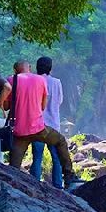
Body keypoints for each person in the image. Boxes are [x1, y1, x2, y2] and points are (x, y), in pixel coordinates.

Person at [6, 57, 80, 188]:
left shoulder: (13, 81)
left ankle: (26, 185)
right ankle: (65, 179)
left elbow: (6, 105)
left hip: (21, 129)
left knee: (27, 161)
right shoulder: (44, 81)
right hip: (41, 127)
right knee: (59, 148)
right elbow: (48, 104)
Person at [29, 57, 64, 188]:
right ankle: (58, 186)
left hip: (37, 125)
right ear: (50, 68)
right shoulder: (56, 82)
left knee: (37, 157)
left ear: (37, 67)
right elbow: (59, 101)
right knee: (56, 158)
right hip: (53, 124)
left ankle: (34, 185)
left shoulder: (34, 81)